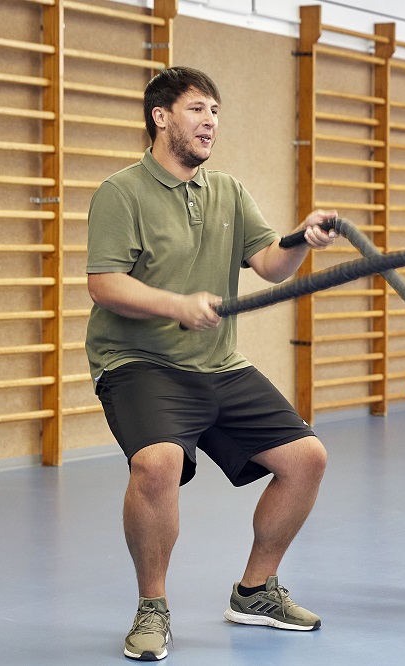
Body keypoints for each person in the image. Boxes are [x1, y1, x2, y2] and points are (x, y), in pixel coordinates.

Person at [85, 66, 337, 661]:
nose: (210, 122)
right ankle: (153, 606)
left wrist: (301, 237)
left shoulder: (227, 190)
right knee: (158, 464)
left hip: (216, 362)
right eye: (198, 109)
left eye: (216, 112)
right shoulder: (121, 193)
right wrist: (176, 305)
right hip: (138, 361)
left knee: (306, 459)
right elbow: (103, 283)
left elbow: (272, 264)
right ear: (161, 117)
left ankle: (255, 592)